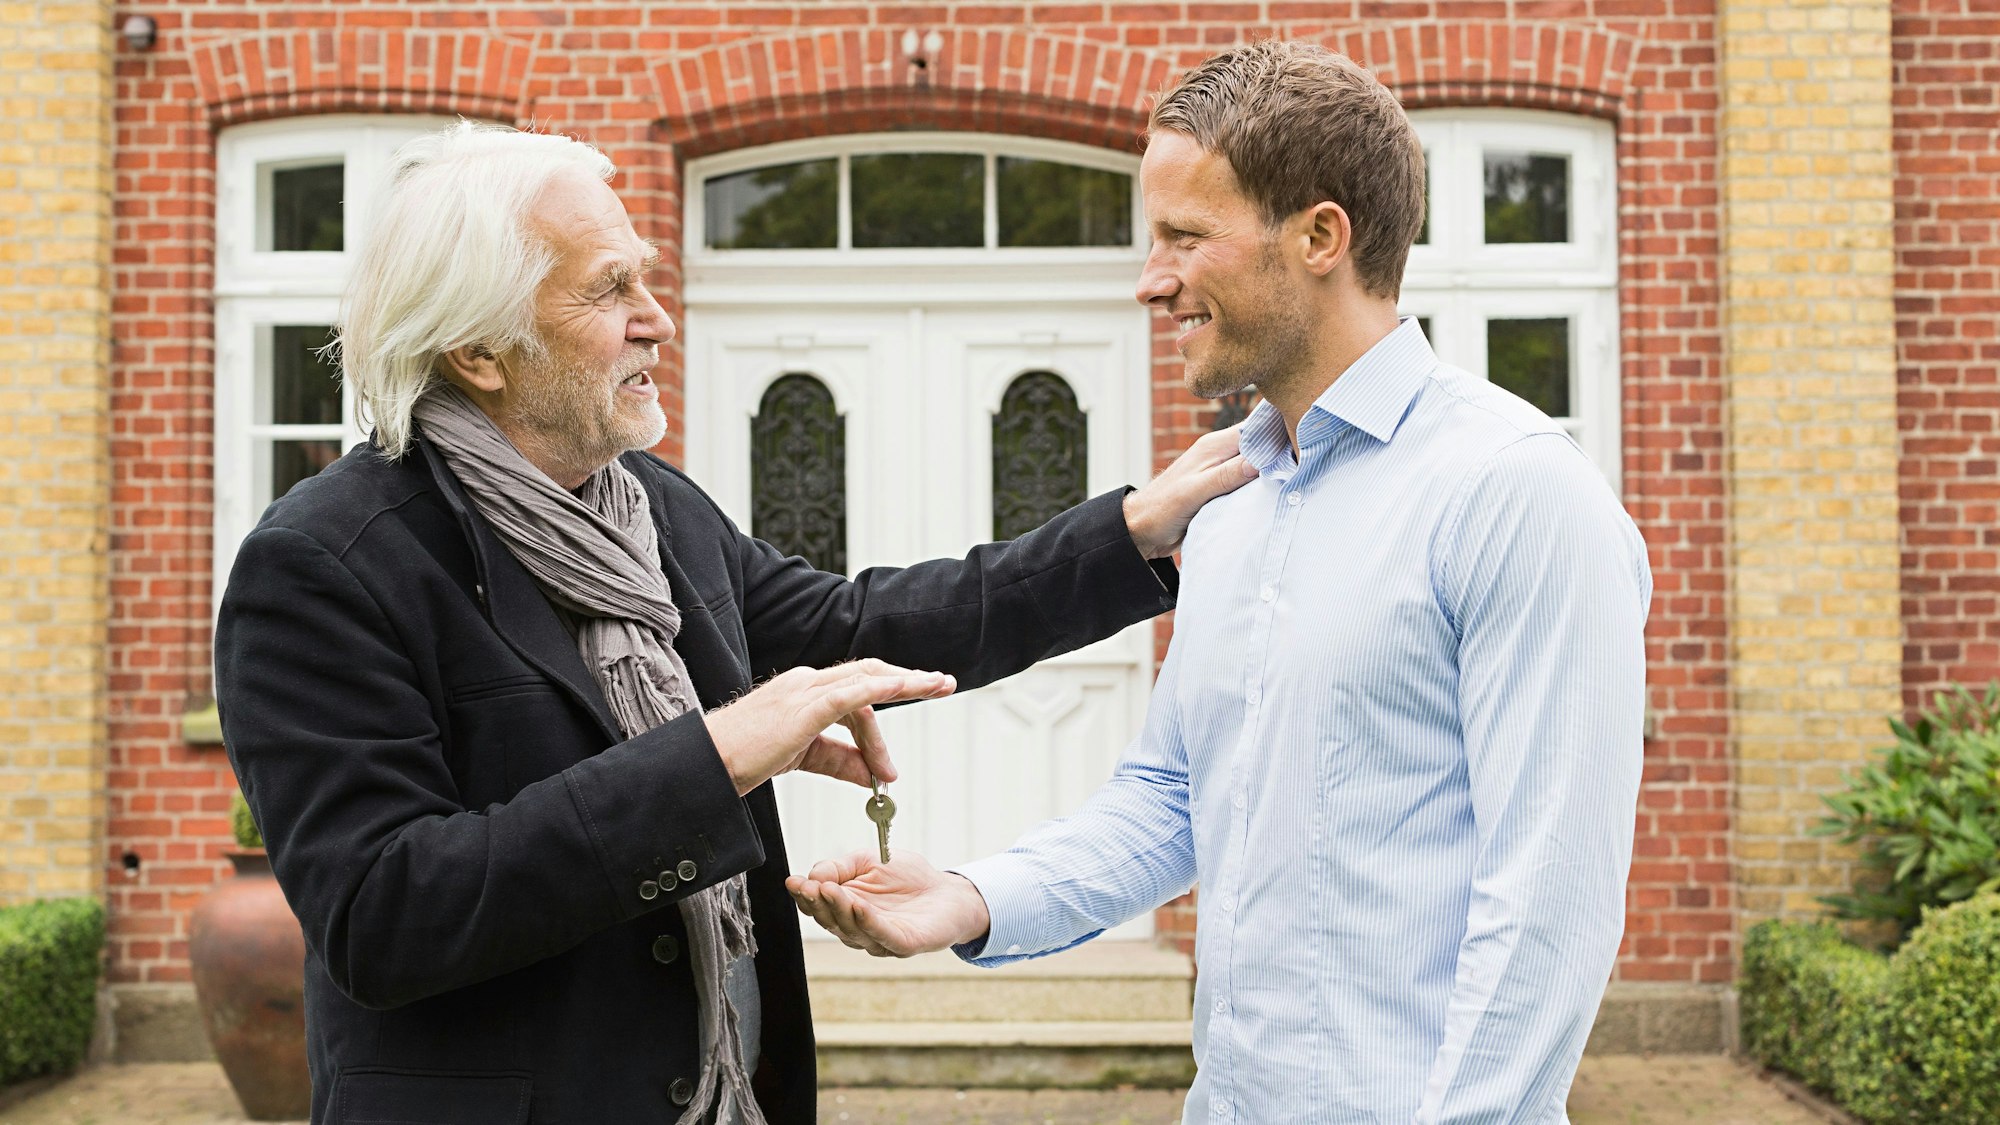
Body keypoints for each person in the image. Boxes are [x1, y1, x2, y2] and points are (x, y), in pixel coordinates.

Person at [213, 122, 1255, 1125]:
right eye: (609, 288)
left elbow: (863, 621)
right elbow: (387, 915)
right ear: (482, 351)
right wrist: (712, 760)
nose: (655, 318)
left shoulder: (650, 511)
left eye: (643, 279)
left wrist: (1126, 534)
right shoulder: (326, 567)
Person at [788, 40, 1654, 1124]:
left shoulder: (1513, 495)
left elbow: (1545, 903)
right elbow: (1176, 797)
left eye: (1183, 239)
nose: (1151, 280)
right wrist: (969, 900)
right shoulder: (1233, 499)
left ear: (1319, 237)